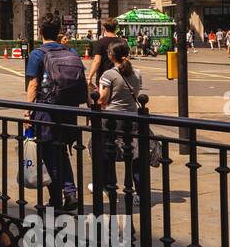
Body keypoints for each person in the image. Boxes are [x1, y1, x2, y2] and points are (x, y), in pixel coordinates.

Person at [26, 15, 88, 210]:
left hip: (47, 110)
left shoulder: (38, 54)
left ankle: (57, 199)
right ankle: (69, 193)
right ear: (59, 31)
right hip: (69, 109)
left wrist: (28, 112)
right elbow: (83, 80)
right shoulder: (70, 51)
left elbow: (33, 84)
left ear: (40, 32)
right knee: (60, 150)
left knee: (48, 152)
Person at [96, 41, 144, 195]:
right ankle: (139, 191)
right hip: (132, 117)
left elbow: (103, 99)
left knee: (106, 153)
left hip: (112, 119)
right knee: (134, 155)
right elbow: (136, 94)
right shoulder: (137, 73)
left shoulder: (109, 74)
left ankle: (110, 187)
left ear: (111, 55)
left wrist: (95, 99)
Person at [86, 17, 127, 99]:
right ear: (115, 29)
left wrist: (90, 77)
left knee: (104, 100)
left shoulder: (100, 42)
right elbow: (126, 59)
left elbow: (97, 61)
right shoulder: (123, 42)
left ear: (104, 29)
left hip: (104, 77)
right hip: (122, 76)